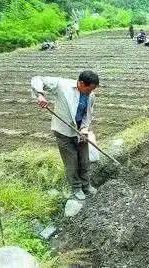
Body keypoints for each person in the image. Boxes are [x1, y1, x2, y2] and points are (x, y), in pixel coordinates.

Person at [30, 71, 100, 200]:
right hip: (64, 132)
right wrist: (40, 95)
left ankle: (86, 186)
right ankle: (76, 188)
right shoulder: (62, 85)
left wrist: (84, 129)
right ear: (81, 83)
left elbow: (87, 115)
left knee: (84, 161)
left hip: (81, 132)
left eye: (93, 90)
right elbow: (37, 79)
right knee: (71, 162)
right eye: (89, 89)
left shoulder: (90, 96)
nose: (90, 92)